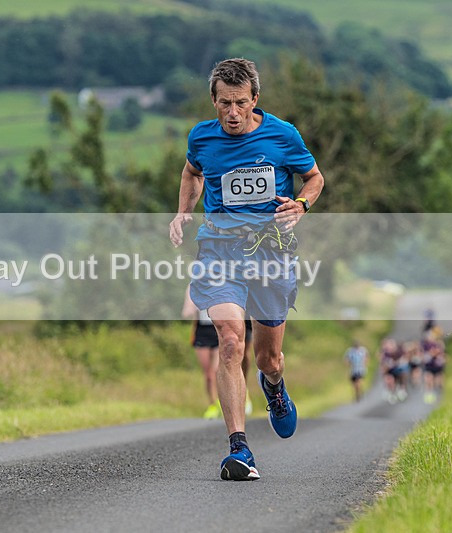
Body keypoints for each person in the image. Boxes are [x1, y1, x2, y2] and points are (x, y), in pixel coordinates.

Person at [169, 58, 325, 481]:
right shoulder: (201, 138)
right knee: (231, 341)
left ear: (254, 99)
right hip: (219, 252)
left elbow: (314, 177)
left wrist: (302, 203)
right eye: (224, 104)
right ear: (214, 101)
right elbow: (191, 172)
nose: (232, 113)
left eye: (240, 103)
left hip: (271, 255)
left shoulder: (283, 135)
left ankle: (273, 388)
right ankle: (239, 449)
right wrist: (183, 212)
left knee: (268, 358)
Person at [182, 286, 254, 419]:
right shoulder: (194, 286)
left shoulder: (222, 282)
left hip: (218, 329)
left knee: (216, 369)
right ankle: (213, 404)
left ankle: (229, 399)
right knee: (208, 374)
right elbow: (186, 312)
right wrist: (194, 305)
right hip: (202, 332)